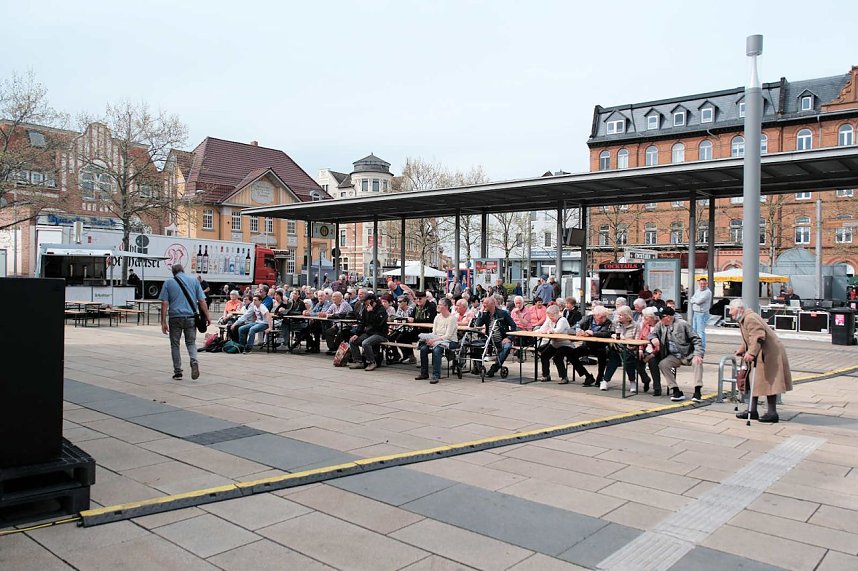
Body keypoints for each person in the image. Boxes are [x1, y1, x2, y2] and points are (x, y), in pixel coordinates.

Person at [730, 299, 793, 423]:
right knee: (754, 381)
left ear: (740, 309)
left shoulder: (749, 318)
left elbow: (758, 336)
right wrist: (742, 350)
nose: (730, 312)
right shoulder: (745, 318)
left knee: (769, 382)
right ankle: (752, 410)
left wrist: (751, 353)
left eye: (732, 309)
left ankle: (772, 413)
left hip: (768, 354)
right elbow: (749, 338)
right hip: (762, 352)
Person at [159, 264, 210, 380]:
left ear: (173, 272)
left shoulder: (168, 283)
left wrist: (163, 322)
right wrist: (207, 316)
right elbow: (202, 300)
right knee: (191, 342)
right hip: (191, 317)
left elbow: (164, 303)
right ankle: (194, 360)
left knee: (175, 344)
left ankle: (178, 372)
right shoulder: (194, 281)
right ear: (183, 270)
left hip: (175, 318)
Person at [648, 306, 704, 402]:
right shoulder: (660, 325)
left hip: (688, 354)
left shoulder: (682, 324)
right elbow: (652, 334)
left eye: (661, 317)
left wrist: (698, 354)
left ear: (668, 317)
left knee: (697, 362)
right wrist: (653, 338)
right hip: (674, 356)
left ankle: (697, 391)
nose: (659, 319)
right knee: (663, 364)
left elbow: (696, 339)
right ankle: (676, 391)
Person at [415, 298, 459, 384]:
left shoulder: (452, 319)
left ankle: (436, 375)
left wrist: (434, 340)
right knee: (423, 348)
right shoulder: (437, 317)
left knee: (437, 350)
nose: (437, 306)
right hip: (437, 339)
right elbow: (434, 332)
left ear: (446, 306)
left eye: (440, 304)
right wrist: (429, 339)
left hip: (450, 341)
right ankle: (424, 373)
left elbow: (448, 336)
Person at [569, 305, 613, 387]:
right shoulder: (587, 319)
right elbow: (571, 329)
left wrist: (592, 333)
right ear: (594, 315)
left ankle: (600, 377)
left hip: (600, 346)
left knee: (602, 354)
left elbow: (606, 333)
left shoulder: (608, 322)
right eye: (601, 317)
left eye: (605, 317)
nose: (603, 319)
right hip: (587, 345)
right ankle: (587, 375)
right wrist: (578, 332)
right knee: (571, 355)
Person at [474, 295, 517, 377]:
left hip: (501, 338)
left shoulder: (503, 313)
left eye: (486, 303)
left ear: (492, 304)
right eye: (483, 303)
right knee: (474, 345)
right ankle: (479, 367)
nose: (484, 305)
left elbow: (513, 325)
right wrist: (481, 313)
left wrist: (509, 338)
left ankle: (495, 367)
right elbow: (477, 324)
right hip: (489, 339)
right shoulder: (485, 314)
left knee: (507, 347)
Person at [602, 306, 640, 392]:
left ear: (627, 316)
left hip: (630, 349)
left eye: (621, 315)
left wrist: (625, 340)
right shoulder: (615, 323)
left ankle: (632, 381)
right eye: (618, 315)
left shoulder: (636, 325)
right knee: (613, 359)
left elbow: (637, 340)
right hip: (616, 348)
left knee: (628, 359)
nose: (619, 317)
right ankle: (605, 381)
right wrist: (613, 335)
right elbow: (609, 333)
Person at [347, 294, 389, 371]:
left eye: (366, 301)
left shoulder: (381, 310)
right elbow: (362, 323)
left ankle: (371, 362)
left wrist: (371, 312)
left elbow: (378, 324)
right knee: (352, 341)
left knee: (365, 343)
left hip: (380, 334)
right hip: (370, 333)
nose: (365, 303)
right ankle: (358, 361)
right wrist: (357, 334)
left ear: (372, 300)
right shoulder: (366, 309)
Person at [536, 305, 575, 384]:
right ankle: (546, 375)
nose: (551, 318)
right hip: (555, 344)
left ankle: (564, 377)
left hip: (566, 344)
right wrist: (535, 332)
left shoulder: (562, 320)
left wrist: (549, 331)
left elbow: (558, 330)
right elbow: (542, 329)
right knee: (544, 355)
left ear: (557, 313)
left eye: (552, 316)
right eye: (549, 316)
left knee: (557, 357)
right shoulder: (549, 320)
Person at [635, 307, 661, 395]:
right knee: (637, 360)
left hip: (658, 352)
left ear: (653, 317)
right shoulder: (645, 325)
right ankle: (646, 379)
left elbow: (661, 344)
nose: (644, 319)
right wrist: (640, 349)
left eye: (646, 317)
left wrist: (651, 355)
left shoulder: (660, 326)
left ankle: (657, 388)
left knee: (652, 363)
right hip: (647, 349)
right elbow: (641, 338)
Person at [690, 277, 712, 350]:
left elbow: (699, 301)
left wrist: (695, 300)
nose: (702, 285)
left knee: (700, 332)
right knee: (694, 331)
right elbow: (691, 299)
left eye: (704, 284)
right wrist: (695, 300)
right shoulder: (698, 290)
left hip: (702, 314)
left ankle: (701, 348)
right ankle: (696, 347)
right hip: (696, 313)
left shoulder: (707, 292)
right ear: (699, 284)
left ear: (706, 284)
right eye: (701, 283)